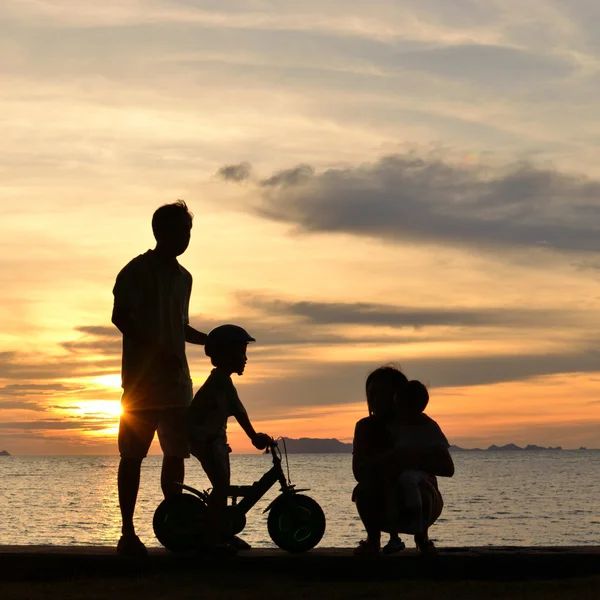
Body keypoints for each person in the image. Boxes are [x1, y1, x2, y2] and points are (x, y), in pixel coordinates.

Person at [111, 200, 208, 557]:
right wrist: (154, 348)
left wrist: (208, 340)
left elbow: (180, 327)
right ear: (161, 232)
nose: (185, 237)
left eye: (188, 231)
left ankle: (176, 526)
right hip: (140, 386)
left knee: (175, 455)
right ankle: (127, 532)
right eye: (180, 230)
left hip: (177, 384)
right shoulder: (136, 270)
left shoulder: (185, 278)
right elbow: (120, 316)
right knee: (132, 457)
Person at [352, 366, 454, 556]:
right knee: (363, 492)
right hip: (382, 495)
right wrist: (388, 461)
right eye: (371, 394)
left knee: (418, 490)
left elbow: (447, 467)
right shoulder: (366, 427)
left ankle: (422, 538)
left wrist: (412, 461)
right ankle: (373, 540)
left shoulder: (421, 424)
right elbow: (359, 472)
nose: (375, 400)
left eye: (382, 394)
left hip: (424, 498)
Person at [189, 324, 271, 553]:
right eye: (241, 352)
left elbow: (236, 410)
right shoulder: (219, 382)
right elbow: (239, 411)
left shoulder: (223, 381)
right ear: (225, 354)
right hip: (206, 441)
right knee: (221, 487)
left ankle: (224, 533)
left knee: (222, 486)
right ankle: (212, 538)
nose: (245, 358)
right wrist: (254, 437)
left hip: (214, 440)